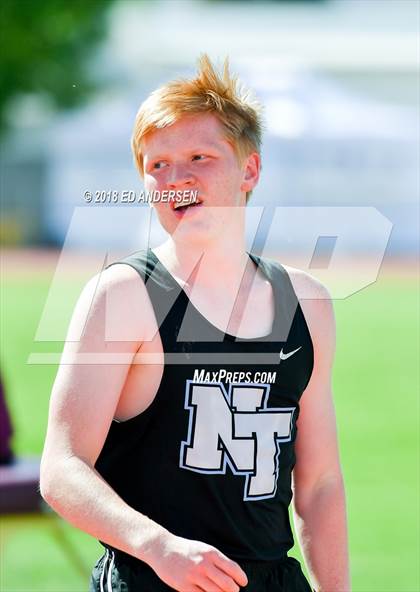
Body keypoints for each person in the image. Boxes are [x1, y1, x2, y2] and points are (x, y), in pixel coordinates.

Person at [40, 55, 350, 592]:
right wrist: (156, 546)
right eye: (156, 164)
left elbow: (319, 483)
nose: (174, 179)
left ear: (249, 169)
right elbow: (62, 468)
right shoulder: (124, 295)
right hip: (153, 578)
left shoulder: (307, 303)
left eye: (198, 157)